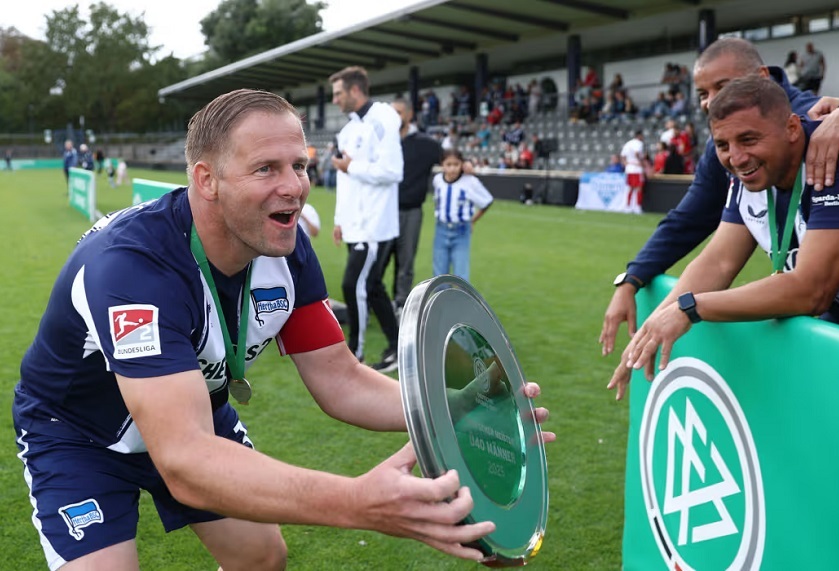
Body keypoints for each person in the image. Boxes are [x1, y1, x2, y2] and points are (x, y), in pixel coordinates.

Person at [11, 88, 554, 570]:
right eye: (266, 168)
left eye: (299, 164)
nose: (295, 186)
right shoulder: (131, 269)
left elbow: (342, 379)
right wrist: (358, 501)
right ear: (207, 180)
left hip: (193, 412)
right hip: (78, 435)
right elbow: (186, 460)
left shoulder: (285, 249)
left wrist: (456, 407)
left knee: (262, 558)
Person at [598, 37, 839, 384]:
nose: (736, 157)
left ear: (792, 128)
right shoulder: (747, 170)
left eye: (748, 140)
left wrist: (692, 308)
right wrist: (652, 328)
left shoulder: (834, 146)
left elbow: (810, 290)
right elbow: (717, 260)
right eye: (723, 145)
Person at [329, 66, 402, 372]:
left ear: (355, 90)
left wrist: (352, 167)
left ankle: (353, 357)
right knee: (372, 288)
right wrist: (339, 219)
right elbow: (346, 179)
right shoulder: (347, 130)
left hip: (374, 225)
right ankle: (398, 347)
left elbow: (392, 172)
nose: (334, 100)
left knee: (352, 286)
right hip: (354, 226)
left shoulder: (383, 120)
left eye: (338, 93)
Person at [381, 97, 443, 313]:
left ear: (409, 114)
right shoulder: (382, 142)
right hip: (382, 211)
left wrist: (468, 166)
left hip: (411, 211)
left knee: (405, 262)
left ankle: (401, 304)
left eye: (398, 112)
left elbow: (451, 160)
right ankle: (374, 302)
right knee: (379, 260)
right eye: (391, 113)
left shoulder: (428, 144)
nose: (394, 117)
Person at [432, 149, 493, 281]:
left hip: (460, 230)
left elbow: (487, 201)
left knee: (461, 274)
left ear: (462, 165)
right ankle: (441, 301)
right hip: (441, 229)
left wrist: (472, 221)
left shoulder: (470, 182)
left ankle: (460, 301)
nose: (452, 169)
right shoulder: (437, 180)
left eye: (456, 164)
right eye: (448, 164)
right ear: (442, 164)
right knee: (439, 274)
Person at [620, 130, 645, 214]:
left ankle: (628, 206)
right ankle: (637, 206)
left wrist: (626, 163)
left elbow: (623, 156)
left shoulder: (628, 143)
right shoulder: (639, 143)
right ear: (639, 136)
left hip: (629, 168)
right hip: (636, 168)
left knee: (630, 187)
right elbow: (637, 153)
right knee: (639, 188)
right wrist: (641, 161)